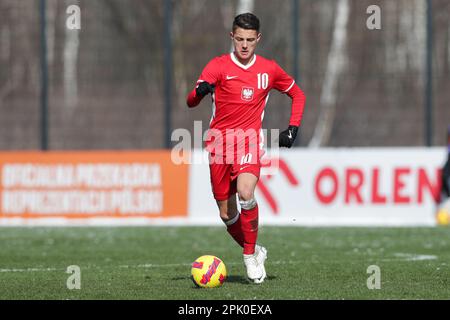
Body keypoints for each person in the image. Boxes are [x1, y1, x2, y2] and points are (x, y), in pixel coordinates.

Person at [186, 13, 306, 283]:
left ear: (258, 39)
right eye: (239, 39)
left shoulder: (269, 69)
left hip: (249, 142)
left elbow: (298, 94)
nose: (244, 45)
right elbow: (190, 101)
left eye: (250, 40)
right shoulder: (216, 66)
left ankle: (249, 257)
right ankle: (256, 249)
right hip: (218, 145)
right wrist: (200, 91)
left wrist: (293, 127)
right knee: (227, 214)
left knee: (245, 191)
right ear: (232, 37)